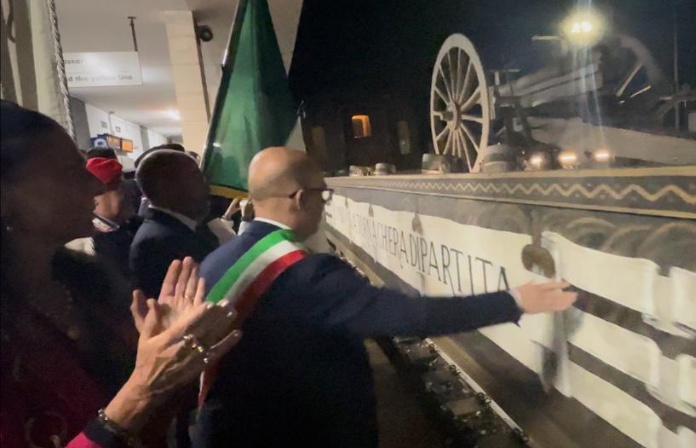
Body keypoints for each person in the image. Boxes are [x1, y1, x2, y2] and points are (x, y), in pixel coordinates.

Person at [195, 147, 578, 447]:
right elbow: (413, 317)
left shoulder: (217, 261)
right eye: (323, 194)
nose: (325, 204)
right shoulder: (306, 274)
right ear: (300, 198)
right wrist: (515, 301)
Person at [0, 100, 241, 447]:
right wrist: (141, 390)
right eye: (70, 172)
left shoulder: (88, 286)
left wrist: (171, 361)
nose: (96, 187)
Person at [130, 150, 216, 298]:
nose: (207, 185)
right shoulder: (159, 243)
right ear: (166, 187)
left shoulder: (178, 230)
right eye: (196, 177)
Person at [66, 157, 141, 277]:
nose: (130, 193)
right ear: (94, 197)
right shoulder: (83, 243)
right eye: (119, 188)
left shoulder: (135, 227)